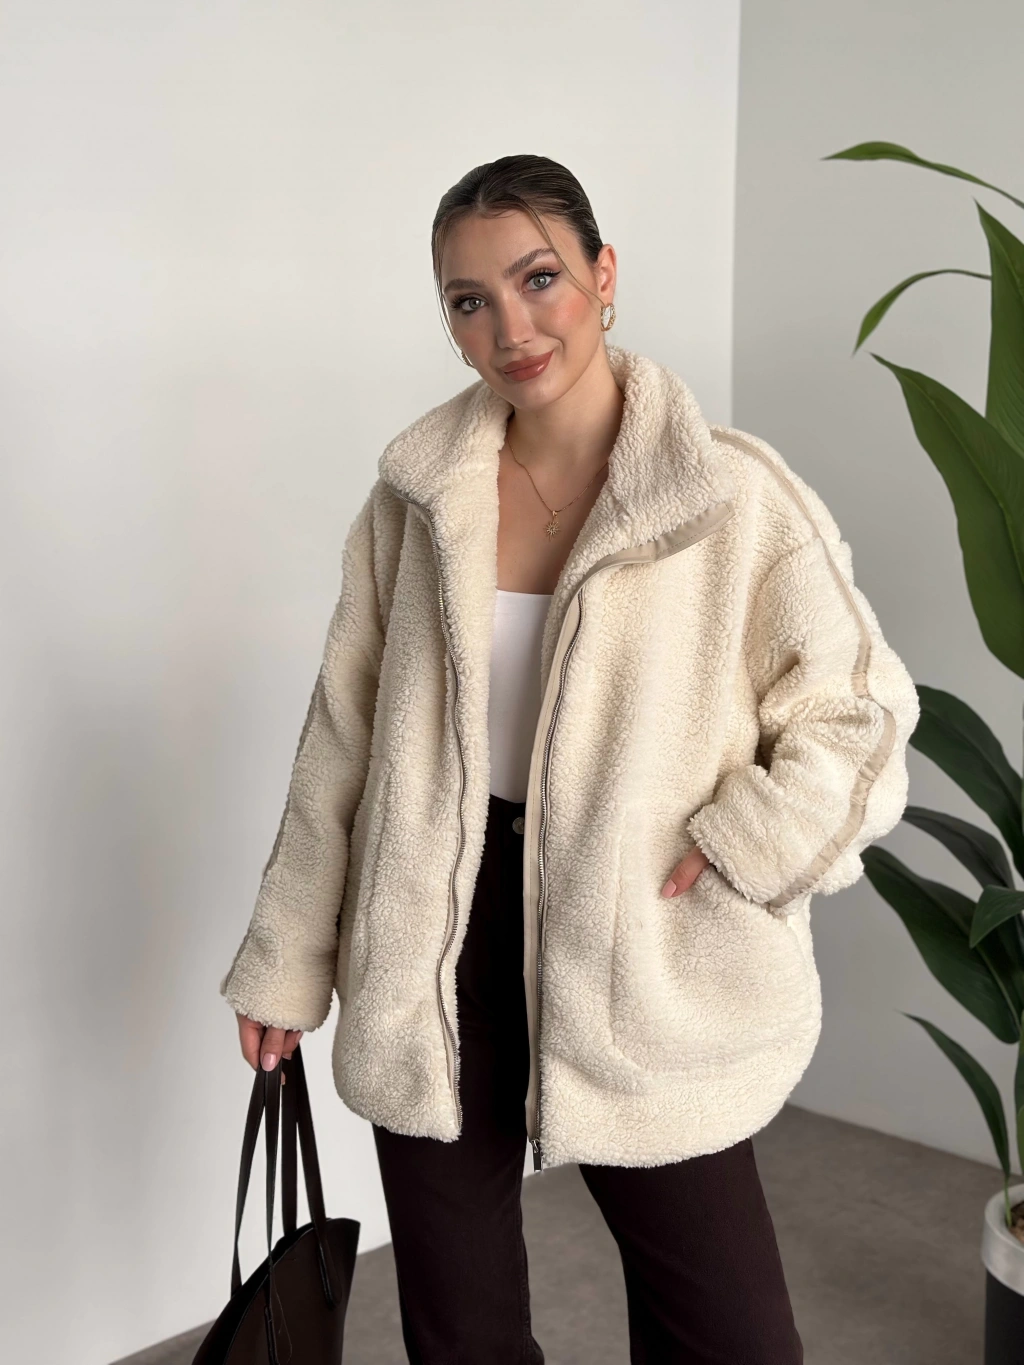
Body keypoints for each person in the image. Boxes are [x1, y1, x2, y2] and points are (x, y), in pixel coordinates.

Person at [219, 153, 920, 1363]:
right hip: (433, 935)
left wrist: (741, 842)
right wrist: (288, 962)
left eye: (537, 278)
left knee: (729, 1337)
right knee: (461, 1331)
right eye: (469, 299)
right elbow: (342, 741)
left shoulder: (730, 495)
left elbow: (860, 713)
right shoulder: (413, 503)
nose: (510, 326)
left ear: (602, 275)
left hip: (638, 927)